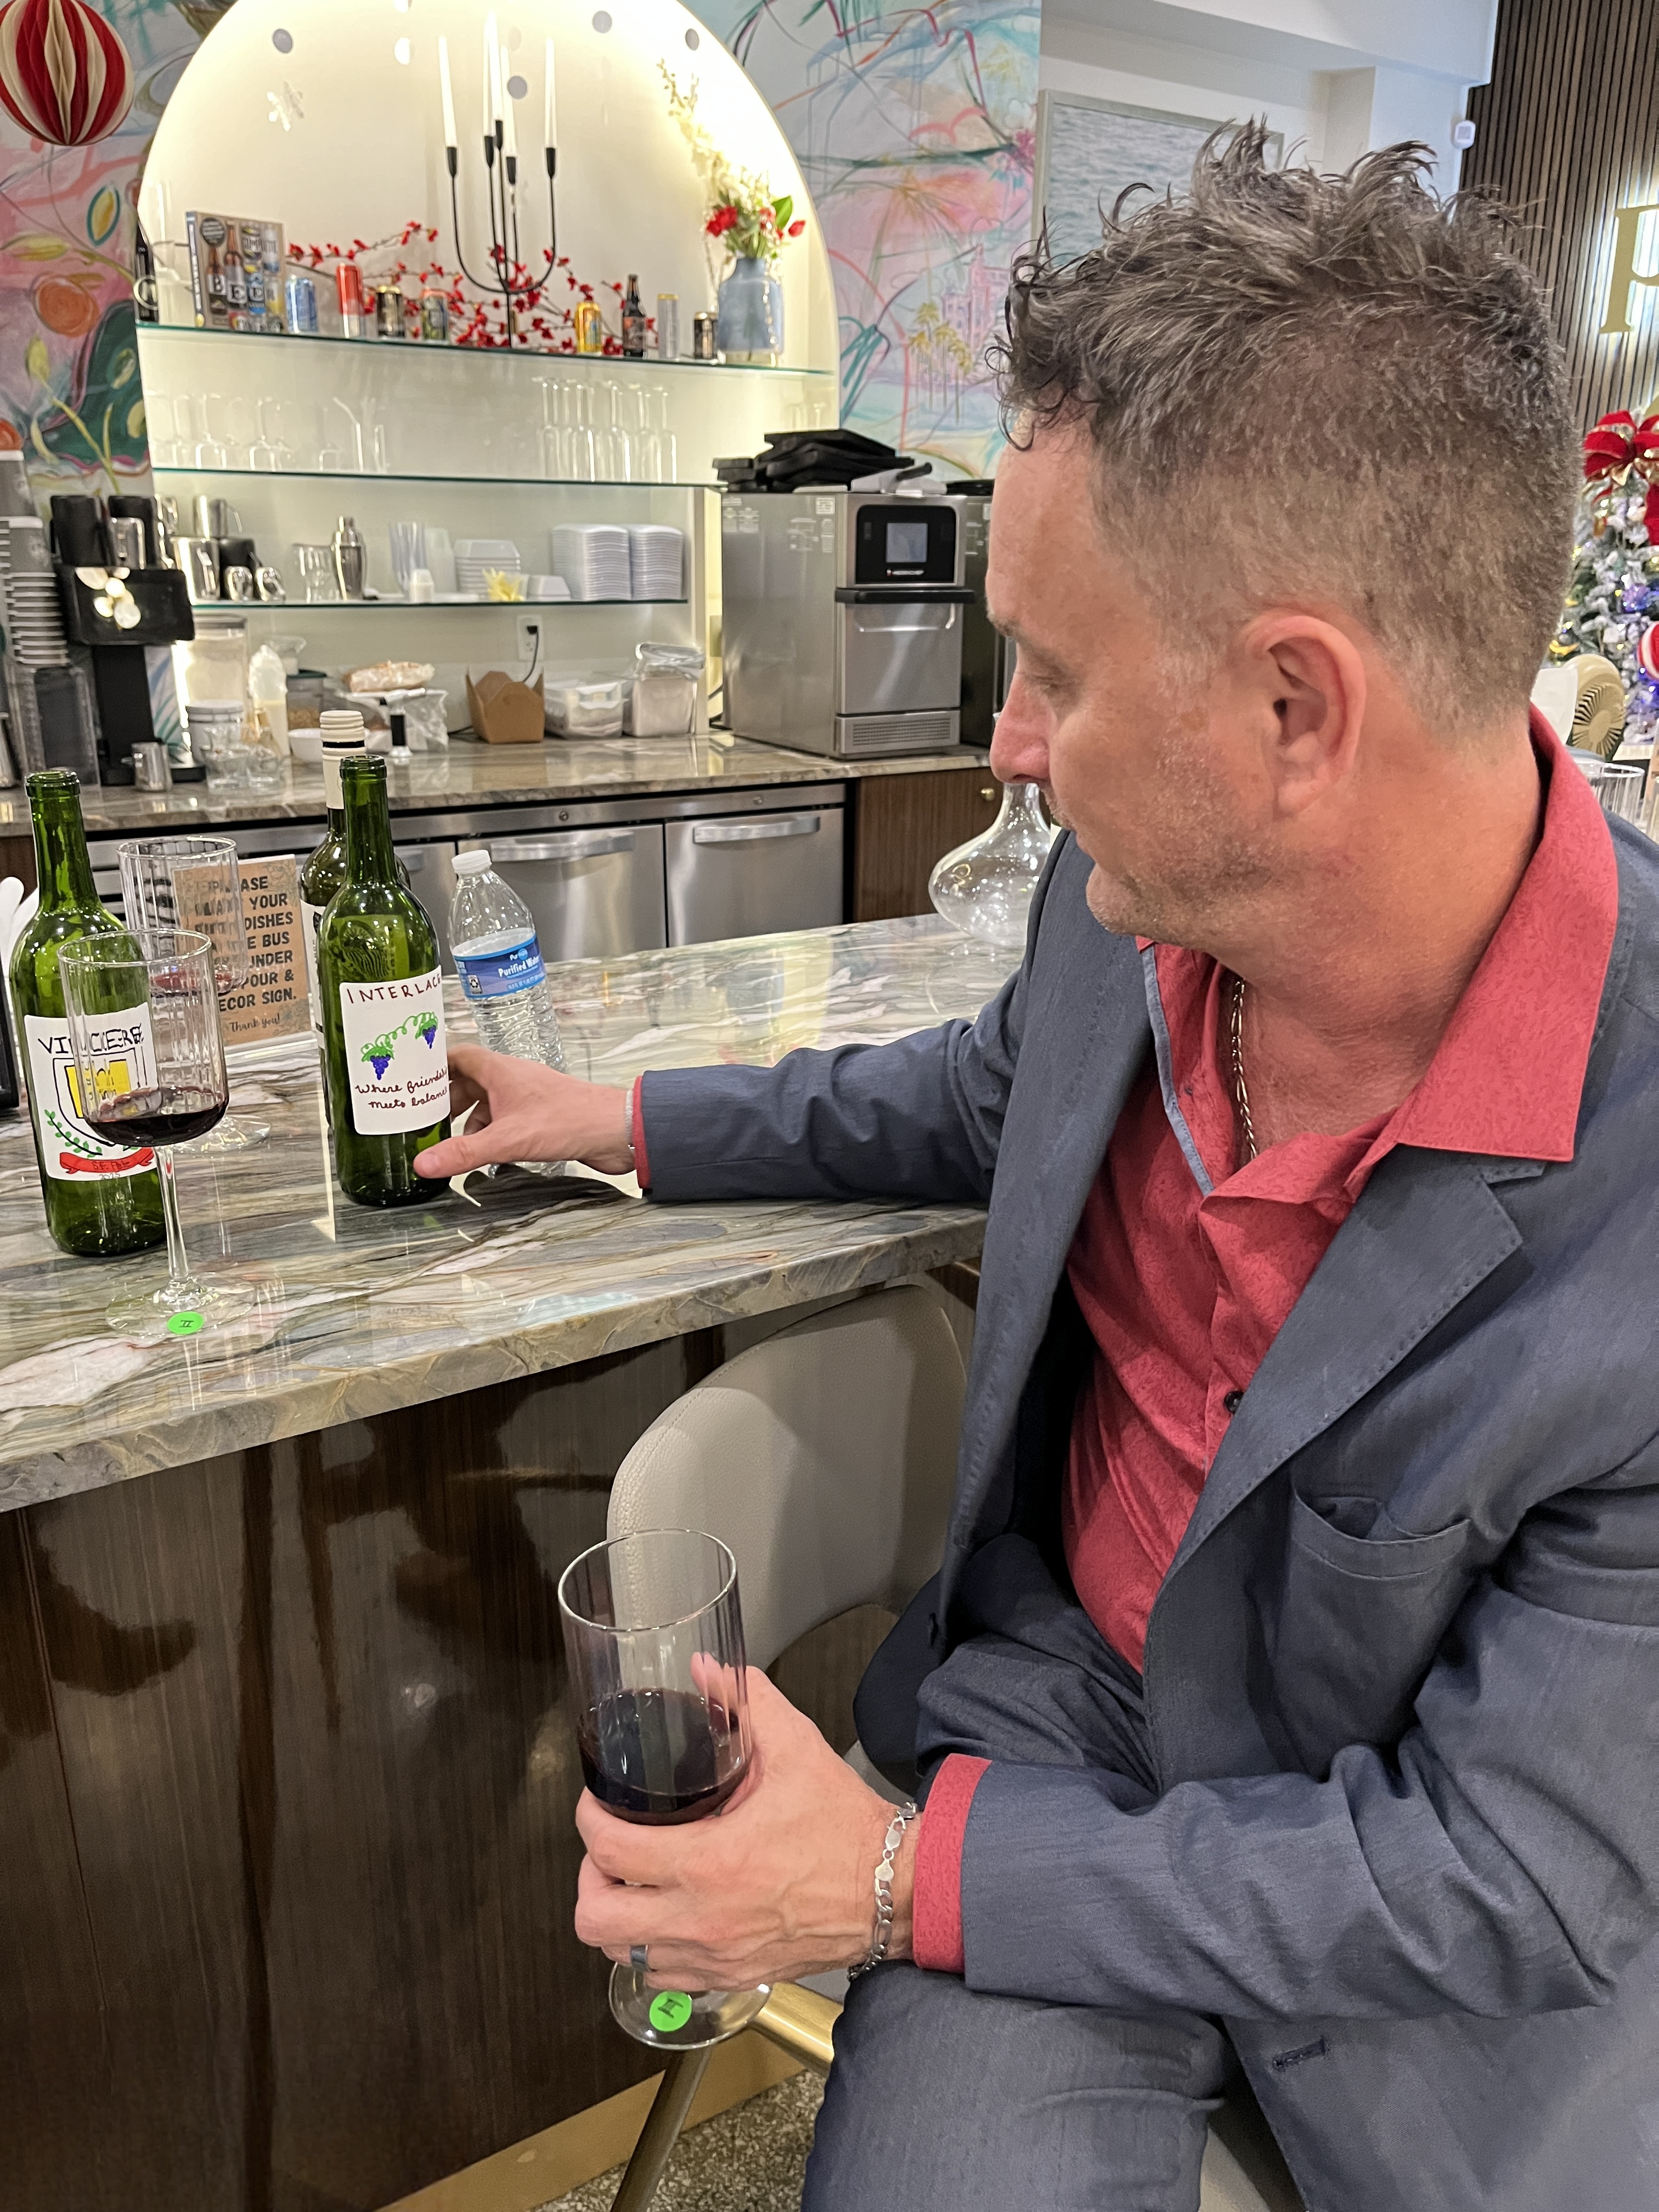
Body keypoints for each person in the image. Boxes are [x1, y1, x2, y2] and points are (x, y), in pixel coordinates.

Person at [416, 134, 1659, 2211]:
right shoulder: (1128, 901)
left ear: (1295, 708)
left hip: (1421, 1954)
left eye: (1058, 678)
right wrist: (615, 1121)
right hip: (1071, 1711)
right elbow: (981, 1095)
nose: (1006, 746)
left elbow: (1509, 1875)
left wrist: (893, 1876)